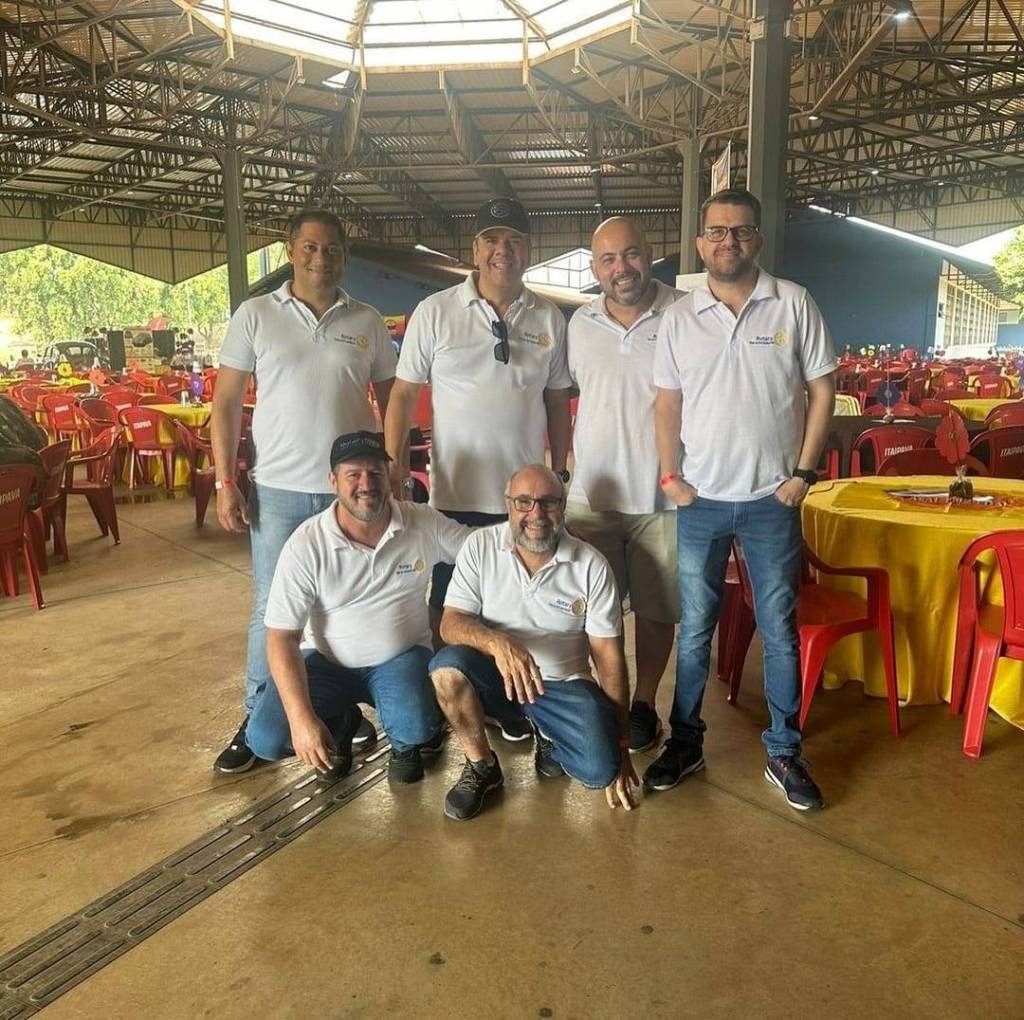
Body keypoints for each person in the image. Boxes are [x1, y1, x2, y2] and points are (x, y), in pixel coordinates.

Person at [649, 187, 836, 811]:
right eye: (717, 231)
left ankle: (784, 751)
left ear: (757, 238)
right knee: (695, 630)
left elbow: (822, 389)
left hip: (770, 501)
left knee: (779, 630)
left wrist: (802, 475)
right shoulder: (680, 317)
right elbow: (667, 401)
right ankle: (685, 742)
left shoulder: (793, 302)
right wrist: (671, 477)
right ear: (700, 243)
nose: (728, 241)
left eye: (741, 230)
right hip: (700, 501)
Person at [211, 209, 397, 774]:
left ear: (344, 255)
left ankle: (338, 710)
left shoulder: (366, 320)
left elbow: (393, 400)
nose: (321, 258)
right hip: (279, 491)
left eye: (332, 248)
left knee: (345, 602)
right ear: (290, 250)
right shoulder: (256, 314)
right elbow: (225, 403)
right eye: (310, 247)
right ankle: (256, 715)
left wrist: (395, 473)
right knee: (273, 606)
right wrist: (225, 480)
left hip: (354, 492)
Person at [384, 197, 574, 742]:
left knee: (517, 609)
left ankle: (508, 703)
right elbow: (402, 395)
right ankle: (451, 702)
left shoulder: (548, 318)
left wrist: (559, 472)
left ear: (528, 251)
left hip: (523, 503)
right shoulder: (435, 311)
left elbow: (557, 402)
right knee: (451, 608)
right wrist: (396, 467)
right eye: (491, 239)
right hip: (455, 494)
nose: (501, 250)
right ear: (475, 249)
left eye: (513, 240)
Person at [247, 431, 471, 783]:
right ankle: (340, 723)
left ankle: (404, 744)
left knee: (416, 726)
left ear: (389, 476)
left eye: (376, 473)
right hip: (325, 663)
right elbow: (281, 637)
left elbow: (479, 548)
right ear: (333, 481)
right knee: (267, 737)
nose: (367, 484)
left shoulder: (421, 522)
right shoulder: (306, 544)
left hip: (400, 657)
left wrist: (533, 531)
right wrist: (302, 719)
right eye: (354, 475)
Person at [428, 465, 639, 821]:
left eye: (548, 502)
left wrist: (621, 744)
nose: (536, 513)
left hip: (561, 684)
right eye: (523, 502)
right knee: (446, 669)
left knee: (601, 768)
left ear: (563, 506)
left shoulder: (592, 565)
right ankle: (482, 765)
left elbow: (609, 660)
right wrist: (497, 642)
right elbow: (450, 624)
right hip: (497, 677)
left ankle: (546, 732)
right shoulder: (480, 546)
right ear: (508, 504)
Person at [565, 216, 685, 753]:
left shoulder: (685, 312)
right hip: (593, 499)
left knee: (658, 611)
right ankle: (606, 702)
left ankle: (643, 704)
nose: (622, 268)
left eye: (631, 254)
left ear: (650, 252)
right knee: (593, 612)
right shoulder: (580, 323)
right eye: (608, 259)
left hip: (665, 497)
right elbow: (564, 395)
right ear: (595, 269)